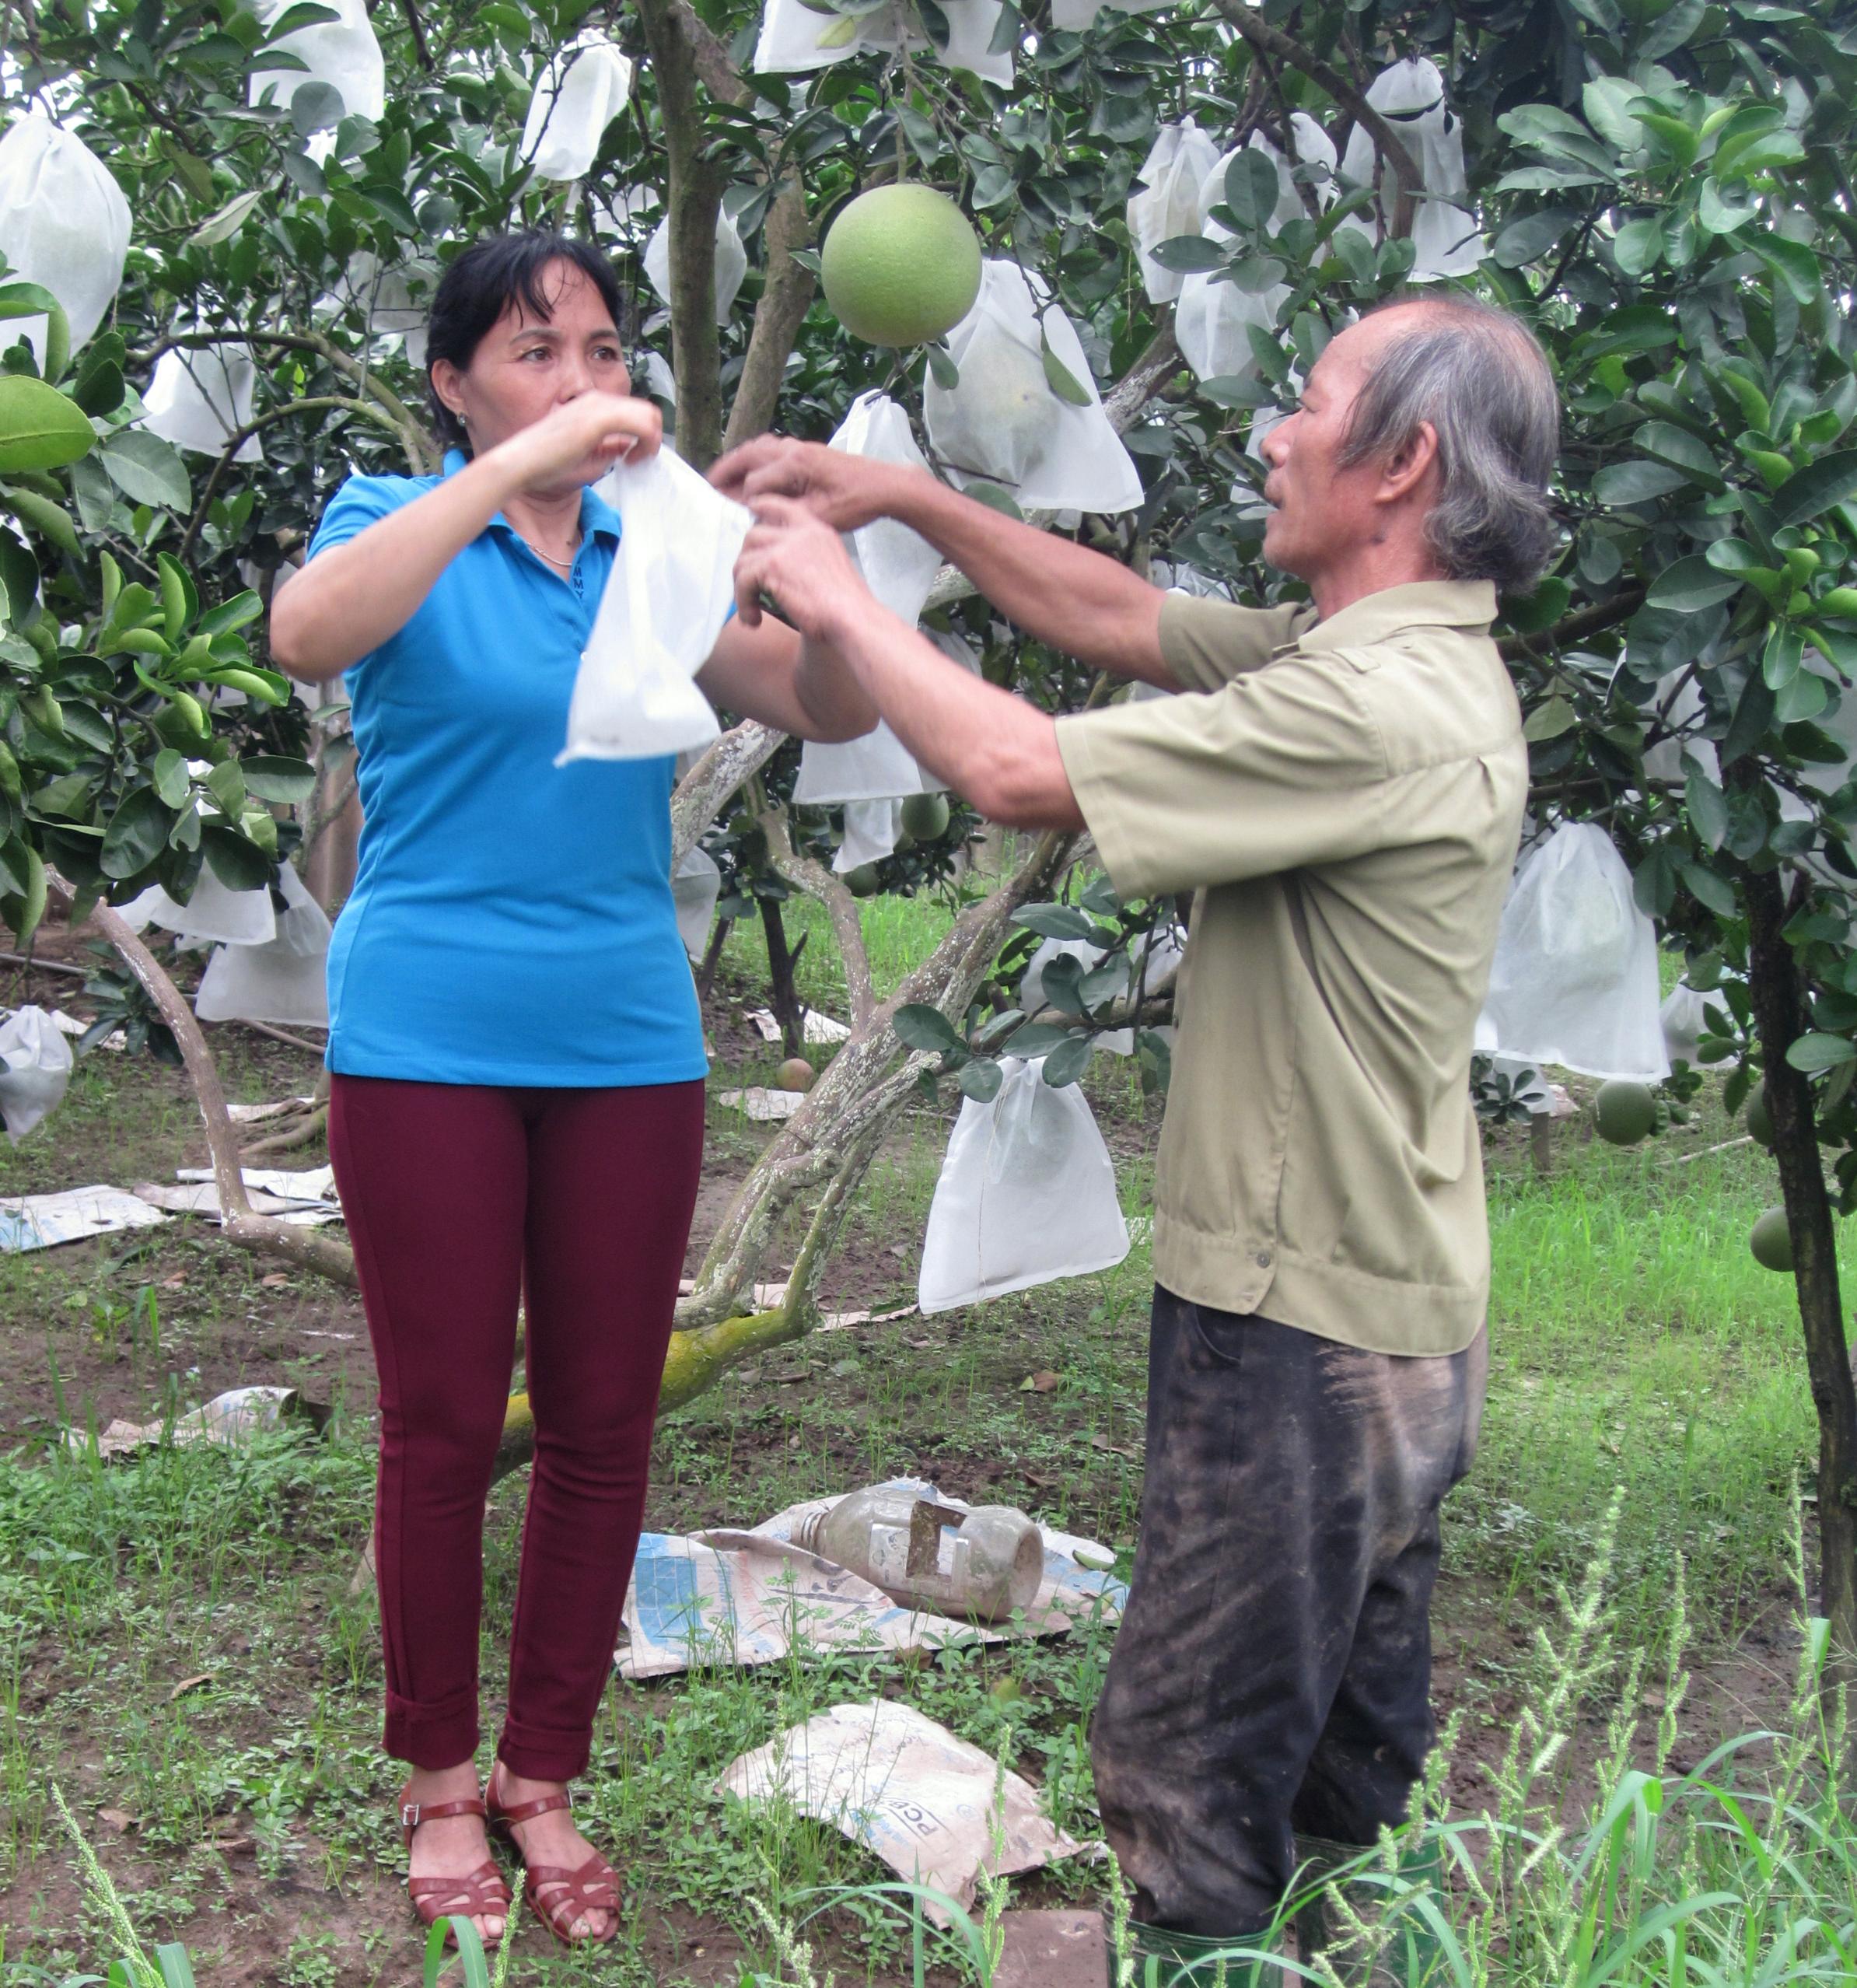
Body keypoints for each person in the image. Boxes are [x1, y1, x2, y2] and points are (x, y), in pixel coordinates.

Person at [712, 297, 1558, 1972]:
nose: (1270, 432)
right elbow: (1119, 616)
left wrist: (825, 595)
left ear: (1399, 463)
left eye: (1307, 406)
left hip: (1298, 1329)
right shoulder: (1387, 662)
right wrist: (908, 508)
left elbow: (1020, 772)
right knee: (1335, 1778)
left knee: (1188, 1787)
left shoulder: (1371, 709)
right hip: (1397, 1314)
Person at [268, 230, 875, 1950]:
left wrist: (816, 593)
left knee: (605, 1425)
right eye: (538, 352)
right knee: (445, 1422)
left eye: (604, 349)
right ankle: (438, 1776)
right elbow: (310, 635)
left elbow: (803, 705)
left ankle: (543, 1770)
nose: (588, 383)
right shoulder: (391, 523)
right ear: (456, 382)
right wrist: (514, 471)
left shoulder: (649, 555)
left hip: (627, 1038)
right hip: (427, 1037)